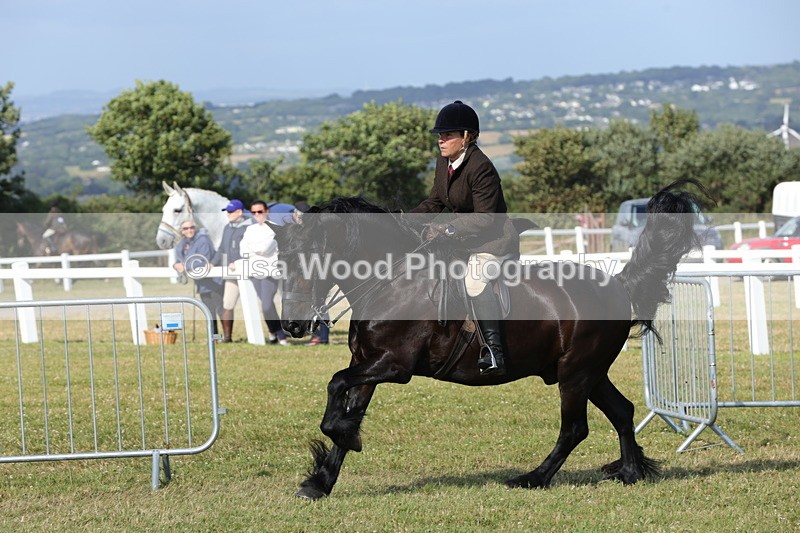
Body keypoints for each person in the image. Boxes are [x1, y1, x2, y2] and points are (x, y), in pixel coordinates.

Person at [410, 100, 519, 376]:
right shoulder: (444, 162)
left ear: (467, 137)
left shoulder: (481, 167)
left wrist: (448, 230)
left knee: (474, 279)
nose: (441, 140)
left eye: (447, 135)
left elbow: (485, 218)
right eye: (439, 135)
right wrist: (404, 220)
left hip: (493, 241)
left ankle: (494, 351)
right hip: (464, 241)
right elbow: (435, 202)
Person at [239, 200, 289, 346]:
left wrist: (253, 247)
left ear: (266, 211)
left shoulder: (275, 228)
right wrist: (255, 249)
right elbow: (243, 250)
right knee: (265, 305)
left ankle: (279, 334)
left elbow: (266, 248)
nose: (257, 215)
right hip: (255, 271)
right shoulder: (250, 229)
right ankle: (274, 333)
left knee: (267, 305)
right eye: (253, 212)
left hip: (270, 271)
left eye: (259, 211)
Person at [172, 219, 224, 337]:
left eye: (192, 227)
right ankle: (214, 336)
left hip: (214, 281)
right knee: (209, 311)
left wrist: (185, 266)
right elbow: (179, 260)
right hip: (202, 283)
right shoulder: (183, 243)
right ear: (182, 231)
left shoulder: (203, 239)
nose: (189, 230)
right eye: (186, 228)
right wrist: (176, 265)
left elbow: (203, 260)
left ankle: (227, 336)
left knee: (220, 309)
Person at [212, 199, 254, 343]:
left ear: (239, 212)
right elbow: (221, 250)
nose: (228, 214)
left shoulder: (250, 227)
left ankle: (275, 335)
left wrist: (239, 262)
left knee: (261, 306)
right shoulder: (227, 228)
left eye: (230, 212)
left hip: (249, 273)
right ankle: (227, 337)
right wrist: (212, 264)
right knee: (227, 304)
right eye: (227, 212)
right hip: (232, 274)